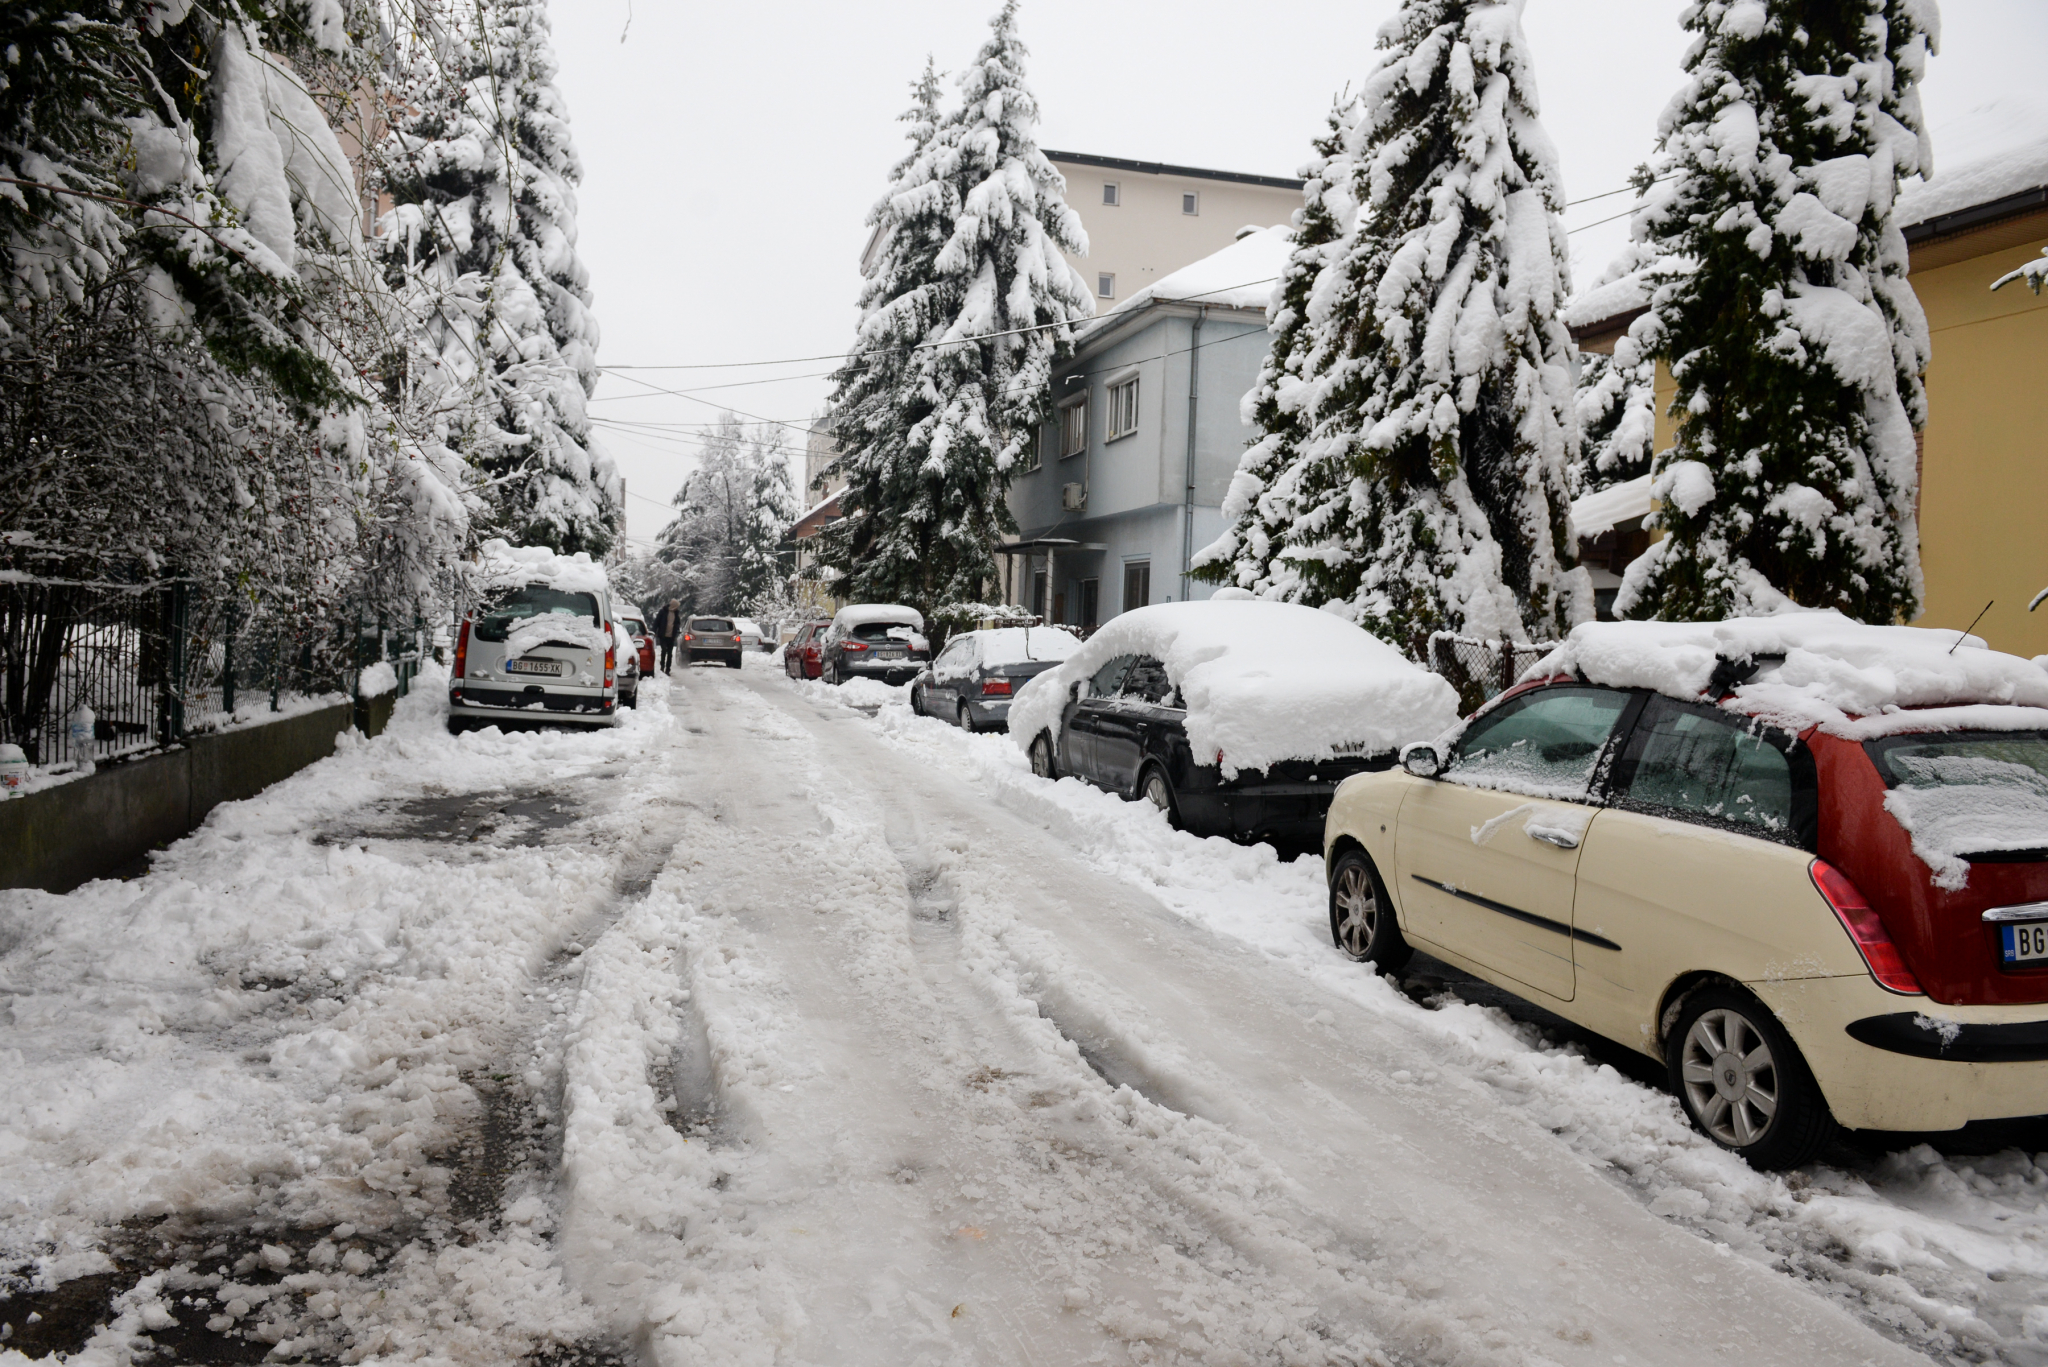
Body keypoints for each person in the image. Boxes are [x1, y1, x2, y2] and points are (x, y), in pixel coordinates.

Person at [653, 598, 684, 673]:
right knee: (663, 651)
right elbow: (656, 622)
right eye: (676, 606)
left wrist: (677, 629)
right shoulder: (663, 612)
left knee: (669, 653)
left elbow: (677, 623)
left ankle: (668, 669)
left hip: (671, 636)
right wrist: (654, 631)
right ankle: (662, 666)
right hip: (663, 635)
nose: (677, 608)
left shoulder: (676, 614)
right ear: (673, 605)